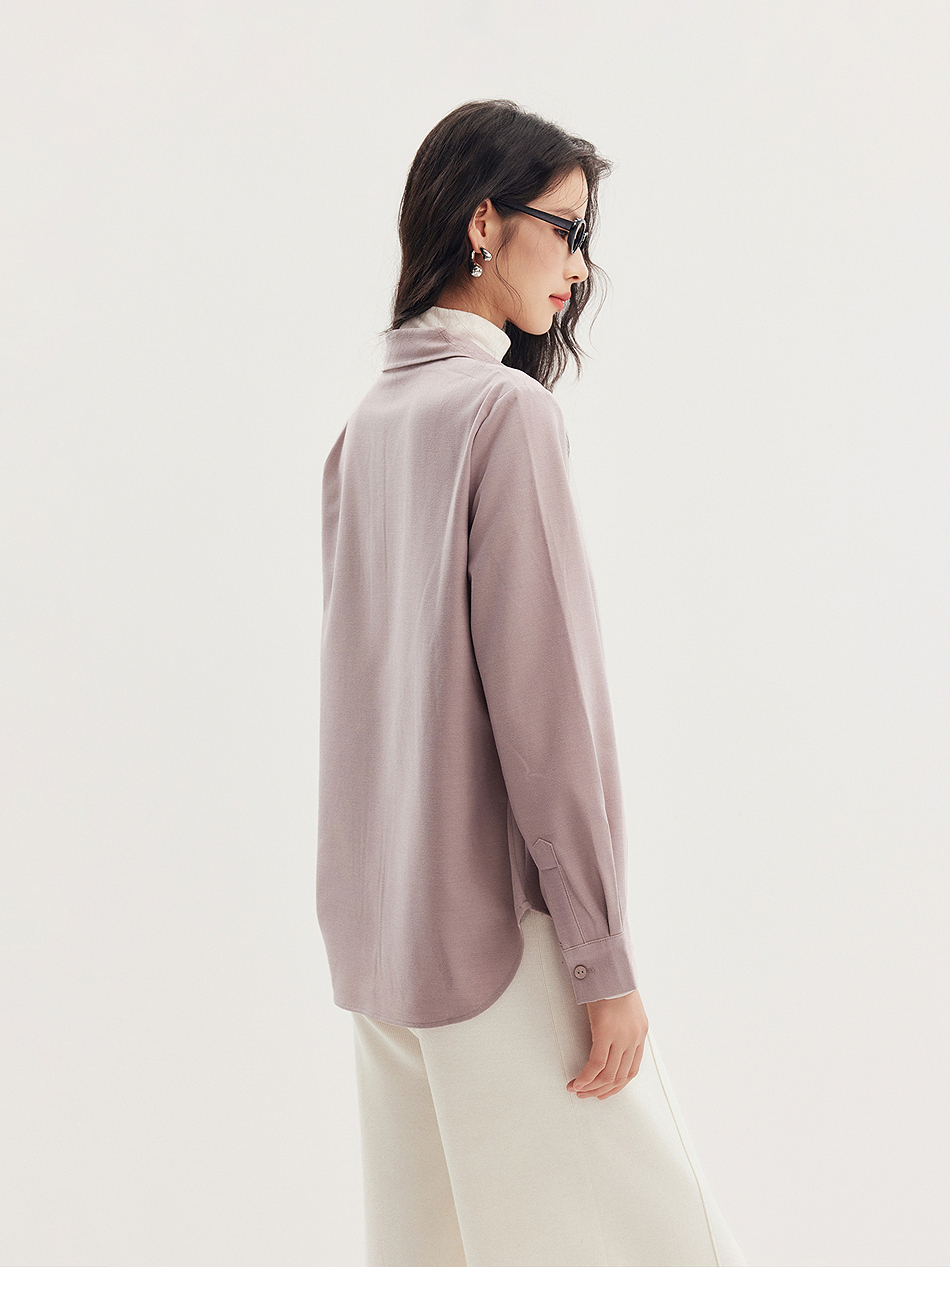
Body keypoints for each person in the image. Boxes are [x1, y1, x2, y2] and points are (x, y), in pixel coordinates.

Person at [316, 98, 746, 1267]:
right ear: (481, 224)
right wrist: (602, 963)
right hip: (498, 945)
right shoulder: (501, 413)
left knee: (438, 1270)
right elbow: (545, 714)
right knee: (671, 1264)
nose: (578, 265)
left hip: (383, 948)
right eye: (564, 230)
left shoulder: (369, 425)